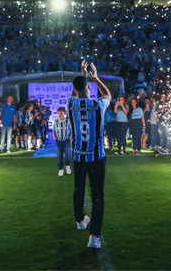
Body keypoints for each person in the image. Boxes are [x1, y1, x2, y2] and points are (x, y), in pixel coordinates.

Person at [68, 60, 111, 249]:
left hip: (78, 157)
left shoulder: (70, 105)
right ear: (88, 87)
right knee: (97, 196)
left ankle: (79, 220)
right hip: (96, 158)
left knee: (78, 190)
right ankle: (94, 237)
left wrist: (83, 76)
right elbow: (108, 94)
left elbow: (74, 94)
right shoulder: (98, 105)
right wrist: (95, 77)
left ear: (75, 89)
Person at [52, 107, 72, 176]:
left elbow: (71, 130)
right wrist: (55, 138)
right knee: (59, 155)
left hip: (66, 140)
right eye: (58, 113)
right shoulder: (56, 121)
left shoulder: (68, 121)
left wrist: (70, 138)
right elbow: (53, 130)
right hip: (58, 141)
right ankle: (60, 169)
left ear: (64, 113)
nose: (59, 115)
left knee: (68, 154)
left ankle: (68, 166)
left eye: (61, 113)